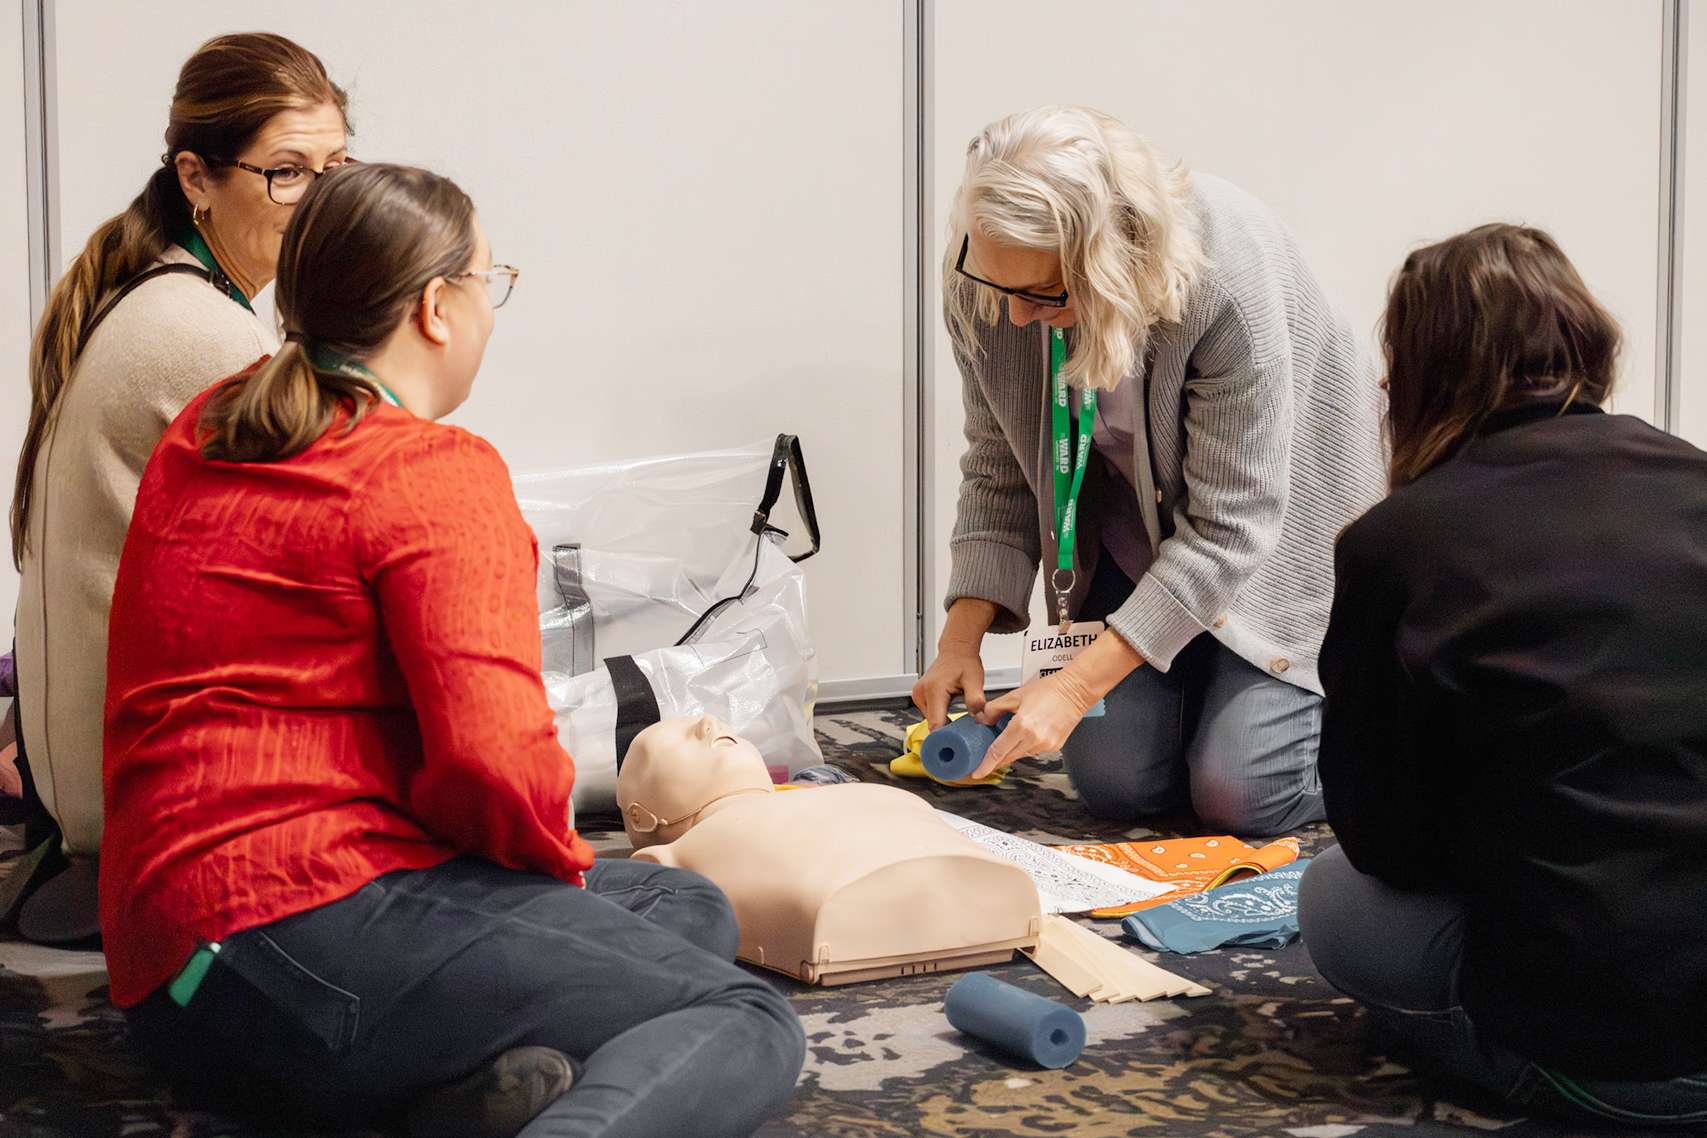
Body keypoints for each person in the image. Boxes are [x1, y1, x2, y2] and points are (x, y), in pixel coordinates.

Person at [102, 163, 805, 1138]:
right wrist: (545, 886)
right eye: (490, 280)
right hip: (310, 936)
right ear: (438, 306)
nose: (490, 306)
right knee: (741, 1014)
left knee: (683, 910)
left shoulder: (210, 426)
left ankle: (452, 1101)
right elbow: (494, 767)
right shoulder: (431, 471)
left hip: (171, 982)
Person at [1299, 224, 1707, 1126]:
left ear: (1413, 374)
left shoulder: (1397, 543)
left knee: (1331, 897)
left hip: (1620, 1060)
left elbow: (1384, 841)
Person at [914, 105, 1385, 834]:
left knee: (1241, 797)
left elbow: (1230, 530)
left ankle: (1384, 735)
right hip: (1132, 521)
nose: (1010, 318)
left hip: (1279, 526)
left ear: (1110, 266)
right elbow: (1001, 467)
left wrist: (1072, 691)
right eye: (994, 285)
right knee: (1116, 786)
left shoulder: (1224, 277)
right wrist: (957, 642)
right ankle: (1199, 678)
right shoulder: (992, 282)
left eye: (1040, 296)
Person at [9, 33, 354, 941]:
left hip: (82, 790)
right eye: (286, 173)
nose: (318, 202)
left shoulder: (156, 293)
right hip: (133, 812)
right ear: (197, 178)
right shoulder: (208, 338)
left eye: (334, 168)